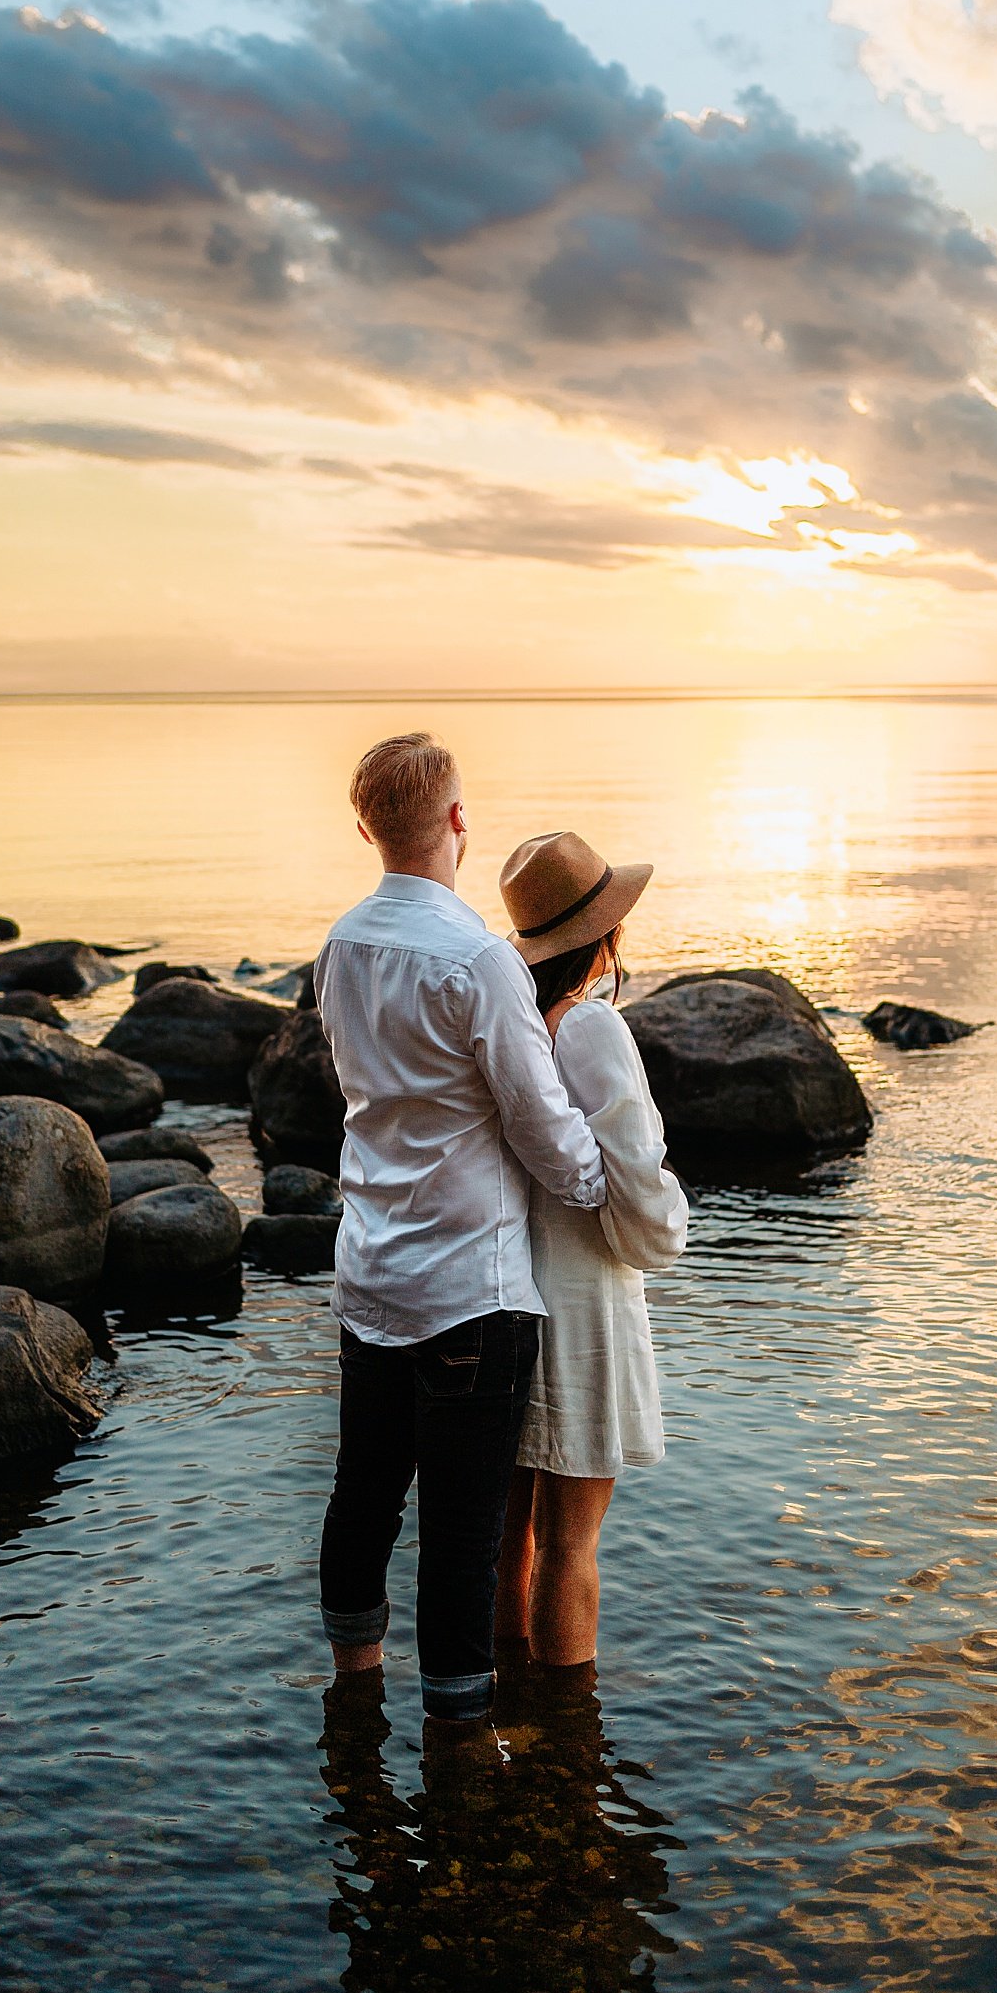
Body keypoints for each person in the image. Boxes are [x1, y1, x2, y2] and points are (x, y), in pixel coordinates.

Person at [313, 734, 610, 1733]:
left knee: (363, 1497)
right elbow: (543, 1126)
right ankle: (456, 1751)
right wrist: (601, 1183)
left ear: (366, 829)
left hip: (370, 1272)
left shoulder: (340, 946)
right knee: (464, 1533)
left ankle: (354, 1692)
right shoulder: (481, 959)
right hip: (470, 1292)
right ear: (456, 822)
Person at [492, 831, 688, 1669]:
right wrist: (667, 1228)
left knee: (511, 1539)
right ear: (604, 938)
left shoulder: (510, 1026)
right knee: (573, 1547)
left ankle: (504, 1706)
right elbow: (637, 1177)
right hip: (584, 1303)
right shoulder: (594, 1028)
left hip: (506, 1292)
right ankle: (567, 1748)